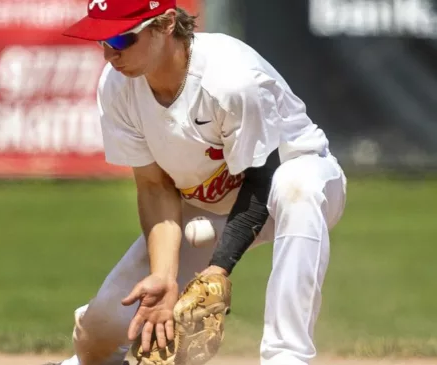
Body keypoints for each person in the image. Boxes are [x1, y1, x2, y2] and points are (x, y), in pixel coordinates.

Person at [47, 0, 348, 364]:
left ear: (166, 23)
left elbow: (260, 179)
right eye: (101, 40)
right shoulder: (117, 88)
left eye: (122, 39)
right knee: (100, 330)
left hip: (290, 180)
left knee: (295, 189)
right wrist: (164, 278)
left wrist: (217, 269)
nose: (111, 53)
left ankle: (287, 356)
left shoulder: (231, 79)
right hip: (207, 209)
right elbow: (155, 186)